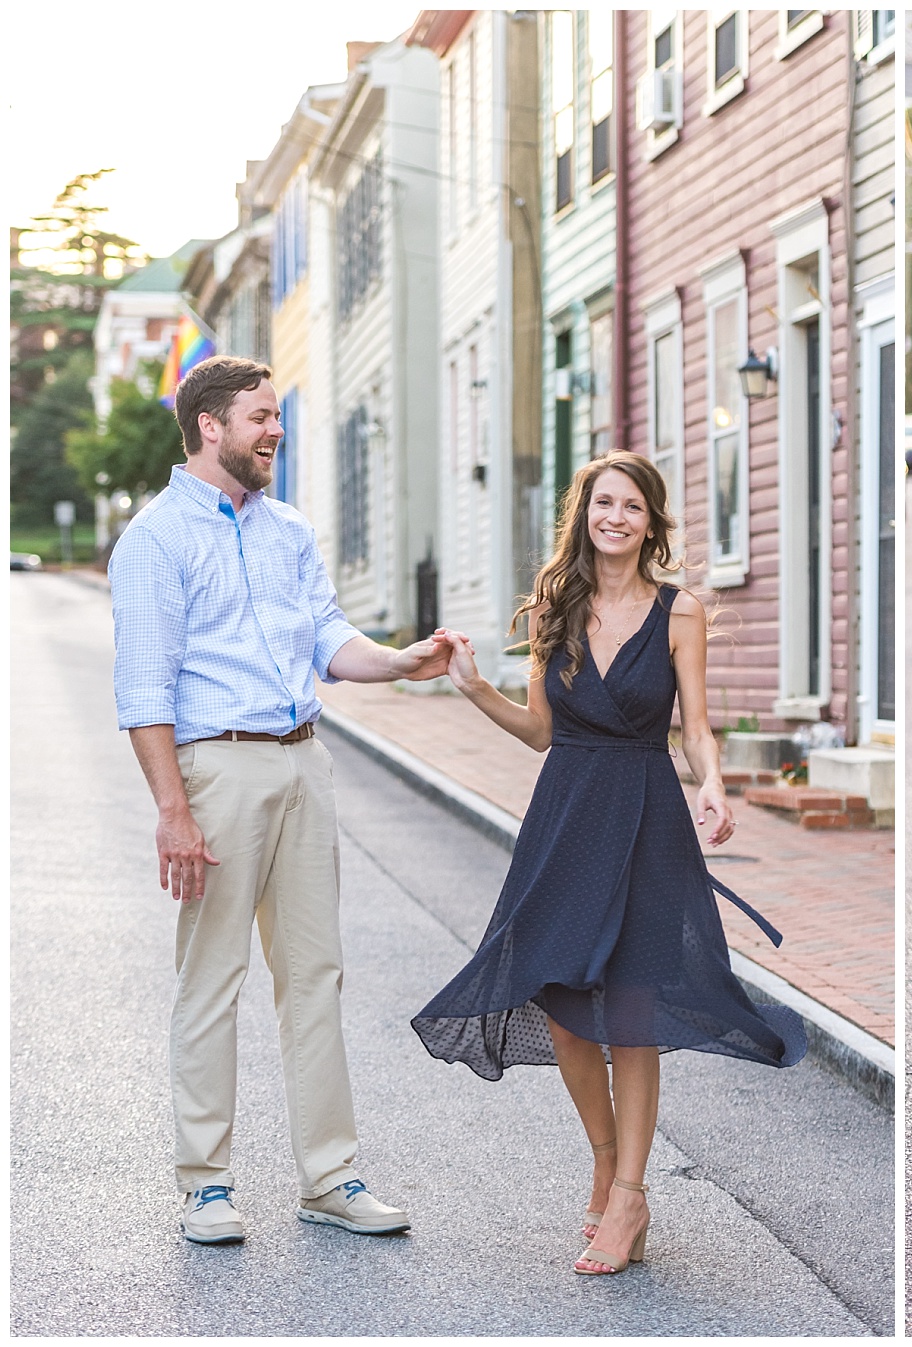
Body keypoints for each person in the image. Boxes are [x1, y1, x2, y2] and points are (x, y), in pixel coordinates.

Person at [412, 451, 806, 1276]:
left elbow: (694, 727)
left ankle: (630, 1193)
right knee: (559, 999)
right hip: (566, 814)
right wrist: (471, 686)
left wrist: (716, 787)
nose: (615, 517)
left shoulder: (680, 611)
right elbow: (539, 731)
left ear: (651, 522)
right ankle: (606, 1155)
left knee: (629, 1007)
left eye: (631, 506)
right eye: (603, 504)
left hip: (648, 814)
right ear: (584, 515)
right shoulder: (559, 603)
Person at [111, 355, 449, 1244]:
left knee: (315, 977)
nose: (278, 429)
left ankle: (330, 1176)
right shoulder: (156, 540)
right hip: (217, 770)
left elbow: (328, 636)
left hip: (305, 762)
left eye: (277, 415)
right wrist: (173, 811)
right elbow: (145, 691)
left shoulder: (288, 528)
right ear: (210, 426)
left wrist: (402, 661)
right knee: (211, 978)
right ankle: (206, 1184)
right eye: (262, 416)